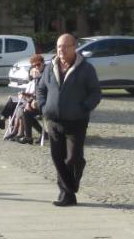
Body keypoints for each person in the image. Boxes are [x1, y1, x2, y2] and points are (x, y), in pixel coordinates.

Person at [35, 34, 102, 206]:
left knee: (73, 158)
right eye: (58, 47)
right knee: (57, 157)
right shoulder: (51, 68)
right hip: (53, 119)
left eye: (65, 46)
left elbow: (95, 93)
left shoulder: (86, 68)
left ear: (74, 48)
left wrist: (84, 107)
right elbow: (41, 89)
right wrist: (43, 106)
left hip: (76, 120)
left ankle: (72, 183)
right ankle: (66, 194)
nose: (61, 50)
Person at [0, 53, 45, 141]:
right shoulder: (35, 79)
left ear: (43, 63)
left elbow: (39, 93)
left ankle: (12, 128)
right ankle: (6, 124)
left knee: (19, 107)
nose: (36, 67)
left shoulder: (43, 76)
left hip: (38, 102)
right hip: (30, 100)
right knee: (15, 103)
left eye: (38, 65)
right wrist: (24, 95)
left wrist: (26, 96)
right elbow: (33, 93)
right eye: (34, 66)